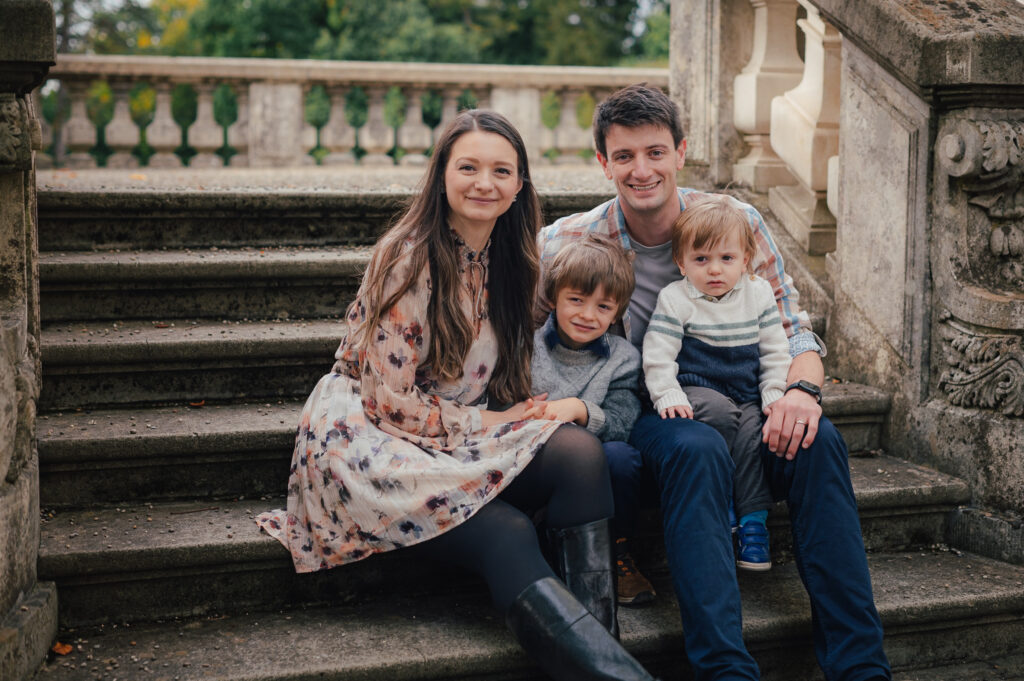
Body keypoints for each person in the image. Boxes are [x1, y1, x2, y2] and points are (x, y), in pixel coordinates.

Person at [256, 109, 656, 681]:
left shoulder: (513, 259)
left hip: (456, 429)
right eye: (468, 167)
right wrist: (493, 423)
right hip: (370, 435)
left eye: (501, 171)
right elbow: (388, 404)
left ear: (519, 186)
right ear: (441, 174)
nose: (484, 183)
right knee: (510, 531)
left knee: (579, 453)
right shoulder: (407, 257)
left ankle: (602, 648)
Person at [538, 84, 892, 681]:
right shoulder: (568, 241)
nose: (641, 170)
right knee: (697, 447)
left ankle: (861, 666)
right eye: (624, 156)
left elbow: (795, 332)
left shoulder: (737, 223)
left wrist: (802, 392)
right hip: (655, 411)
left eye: (655, 152)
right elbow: (522, 334)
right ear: (603, 163)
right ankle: (725, 669)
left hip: (750, 397)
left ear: (681, 152)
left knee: (818, 441)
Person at [642, 194, 791, 572]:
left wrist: (774, 390)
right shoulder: (675, 299)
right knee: (720, 415)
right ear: (681, 262)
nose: (714, 270)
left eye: (726, 258)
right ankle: (721, 501)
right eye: (701, 259)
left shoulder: (758, 293)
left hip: (745, 390)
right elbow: (658, 354)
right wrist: (667, 393)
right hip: (696, 386)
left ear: (746, 259)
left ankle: (754, 522)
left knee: (753, 435)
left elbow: (775, 350)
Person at [524, 234, 656, 604]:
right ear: (554, 297)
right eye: (576, 300)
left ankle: (617, 551)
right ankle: (546, 549)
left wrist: (580, 411)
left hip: (596, 473)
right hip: (536, 461)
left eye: (603, 306)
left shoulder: (623, 358)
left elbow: (623, 422)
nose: (587, 315)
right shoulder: (525, 347)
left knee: (622, 457)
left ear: (617, 312)